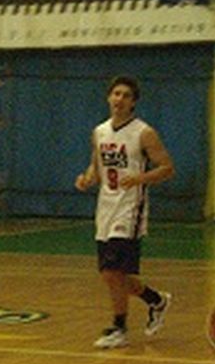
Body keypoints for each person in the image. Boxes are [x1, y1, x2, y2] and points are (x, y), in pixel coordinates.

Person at [73, 75, 175, 349]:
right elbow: (96, 168)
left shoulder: (144, 133)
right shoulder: (99, 132)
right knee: (112, 274)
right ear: (109, 97)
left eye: (126, 95)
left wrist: (139, 179)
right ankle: (156, 300)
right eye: (116, 93)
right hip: (106, 207)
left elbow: (167, 167)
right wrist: (86, 178)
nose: (119, 99)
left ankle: (119, 327)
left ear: (133, 103)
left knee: (111, 272)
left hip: (130, 209)